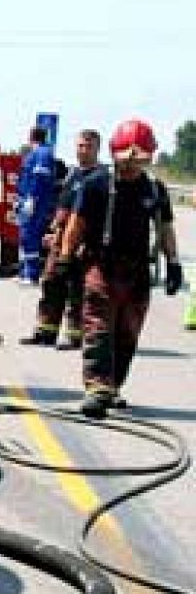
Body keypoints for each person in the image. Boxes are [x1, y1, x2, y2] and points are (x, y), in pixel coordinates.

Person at [53, 119, 182, 418]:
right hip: (102, 266)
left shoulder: (154, 189)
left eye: (141, 159)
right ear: (115, 154)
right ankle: (97, 388)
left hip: (137, 272)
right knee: (99, 328)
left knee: (127, 334)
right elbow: (76, 226)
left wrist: (173, 263)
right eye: (129, 158)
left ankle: (112, 387)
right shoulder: (96, 185)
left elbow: (165, 228)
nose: (134, 166)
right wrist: (64, 259)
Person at [21, 129, 102, 348]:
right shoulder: (73, 175)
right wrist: (53, 231)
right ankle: (45, 331)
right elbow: (63, 206)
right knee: (51, 283)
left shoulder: (100, 178)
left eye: (88, 146)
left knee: (77, 289)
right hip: (61, 240)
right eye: (80, 146)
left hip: (82, 243)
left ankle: (75, 335)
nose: (83, 150)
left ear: (97, 149)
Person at [14, 125, 67, 283]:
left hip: (36, 202)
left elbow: (39, 178)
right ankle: (25, 272)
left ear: (31, 137)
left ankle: (31, 274)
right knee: (25, 236)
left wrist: (32, 199)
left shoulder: (42, 153)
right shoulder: (36, 153)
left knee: (31, 236)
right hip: (28, 200)